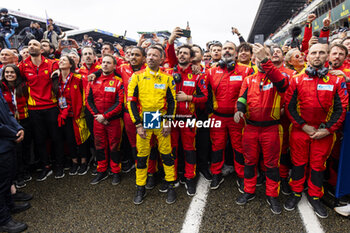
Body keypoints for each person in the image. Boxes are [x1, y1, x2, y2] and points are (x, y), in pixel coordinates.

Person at [284, 43, 348, 218]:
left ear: (327, 56)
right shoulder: (297, 78)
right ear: (307, 56)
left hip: (324, 133)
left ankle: (314, 196)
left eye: (322, 52)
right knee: (298, 164)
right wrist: (303, 126)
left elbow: (341, 108)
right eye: (314, 52)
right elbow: (289, 106)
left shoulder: (337, 80)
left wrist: (327, 130)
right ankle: (296, 192)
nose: (318, 56)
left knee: (318, 166)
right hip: (300, 130)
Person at [234, 44, 288, 214]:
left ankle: (272, 195)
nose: (259, 61)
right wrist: (239, 111)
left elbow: (282, 85)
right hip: (250, 128)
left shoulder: (279, 77)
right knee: (249, 162)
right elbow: (242, 98)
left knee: (272, 165)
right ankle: (249, 191)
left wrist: (266, 60)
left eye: (263, 57)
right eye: (257, 58)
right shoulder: (249, 79)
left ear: (269, 58)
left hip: (271, 129)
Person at [128, 46, 177, 205]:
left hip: (161, 119)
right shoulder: (136, 76)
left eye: (155, 55)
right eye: (148, 55)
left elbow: (172, 101)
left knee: (166, 155)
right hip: (144, 120)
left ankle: (170, 185)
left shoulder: (167, 78)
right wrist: (138, 124)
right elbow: (131, 102)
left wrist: (169, 121)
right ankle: (140, 187)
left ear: (161, 59)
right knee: (142, 156)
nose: (150, 57)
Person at [206, 41, 253, 190]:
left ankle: (241, 175)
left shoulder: (247, 71)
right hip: (217, 117)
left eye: (230, 48)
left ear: (236, 52)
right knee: (217, 147)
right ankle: (216, 174)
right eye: (224, 48)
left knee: (239, 147)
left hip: (237, 118)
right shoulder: (211, 71)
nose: (227, 51)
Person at [18, 39, 64, 181]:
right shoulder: (23, 65)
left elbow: (65, 68)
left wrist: (58, 70)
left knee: (56, 138)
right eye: (29, 45)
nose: (31, 46)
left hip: (51, 107)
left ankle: (60, 165)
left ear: (41, 50)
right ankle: (45, 166)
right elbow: (12, 78)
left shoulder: (52, 63)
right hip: (34, 109)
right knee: (40, 140)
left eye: (35, 44)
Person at [166, 44, 208, 196]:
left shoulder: (198, 74)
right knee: (172, 149)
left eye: (185, 53)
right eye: (180, 53)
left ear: (191, 58)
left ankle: (190, 178)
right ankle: (173, 177)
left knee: (189, 149)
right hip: (170, 118)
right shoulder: (168, 72)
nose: (182, 55)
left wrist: (188, 98)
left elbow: (204, 97)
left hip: (189, 118)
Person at [86, 54, 124, 185]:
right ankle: (101, 171)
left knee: (114, 147)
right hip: (98, 120)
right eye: (103, 62)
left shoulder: (119, 81)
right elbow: (88, 100)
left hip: (113, 121)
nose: (105, 65)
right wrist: (98, 116)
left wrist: (105, 116)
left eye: (108, 63)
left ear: (114, 66)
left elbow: (119, 104)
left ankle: (115, 172)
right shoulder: (92, 80)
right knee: (99, 146)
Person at [52, 56, 90, 176]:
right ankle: (74, 161)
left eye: (64, 60)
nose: (61, 61)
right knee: (69, 139)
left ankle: (84, 161)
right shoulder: (55, 79)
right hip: (63, 114)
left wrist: (82, 111)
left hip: (77, 114)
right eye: (60, 60)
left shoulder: (78, 78)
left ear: (71, 64)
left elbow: (85, 94)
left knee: (81, 138)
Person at [0, 77, 28, 233]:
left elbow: (7, 113)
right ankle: (3, 221)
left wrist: (18, 127)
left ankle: (9, 205)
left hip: (8, 142)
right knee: (1, 183)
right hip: (4, 141)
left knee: (8, 177)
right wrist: (13, 133)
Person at [0, 64, 32, 188]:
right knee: (15, 150)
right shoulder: (1, 88)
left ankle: (25, 171)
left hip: (24, 120)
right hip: (9, 123)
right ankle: (17, 176)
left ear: (17, 74)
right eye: (7, 72)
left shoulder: (23, 86)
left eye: (12, 72)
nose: (9, 75)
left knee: (26, 147)